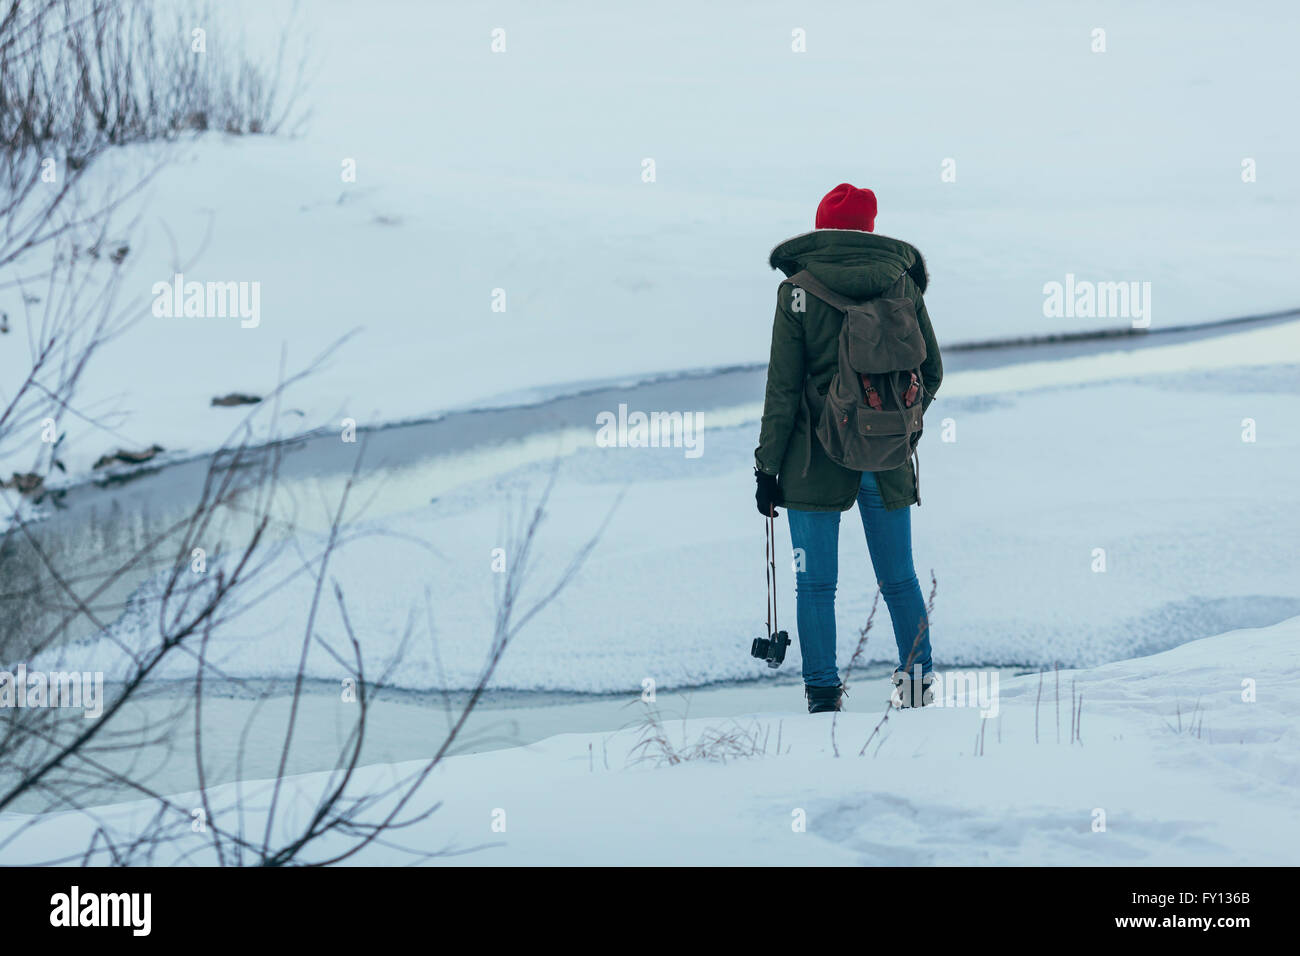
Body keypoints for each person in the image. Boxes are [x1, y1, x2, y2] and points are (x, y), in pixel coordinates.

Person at [754, 184, 943, 713]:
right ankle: (916, 691)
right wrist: (900, 421)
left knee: (815, 586)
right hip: (888, 459)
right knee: (899, 579)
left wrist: (768, 467)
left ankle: (822, 700)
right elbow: (932, 373)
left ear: (821, 230)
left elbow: (783, 389)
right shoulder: (902, 283)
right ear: (870, 229)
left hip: (814, 459)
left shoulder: (797, 289)